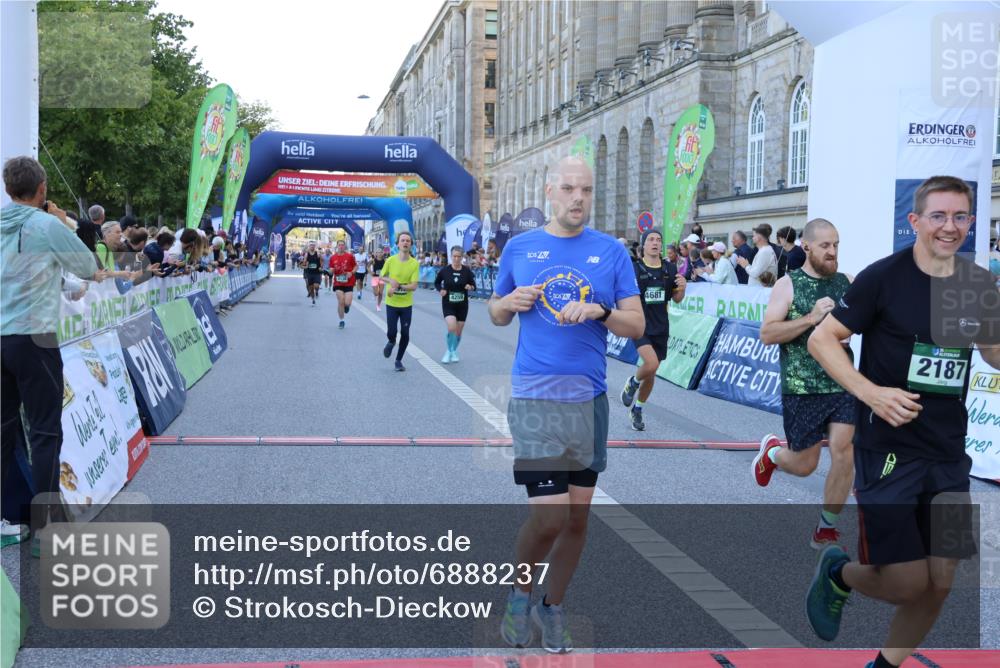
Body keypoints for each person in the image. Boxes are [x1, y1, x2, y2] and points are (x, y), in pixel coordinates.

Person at [805, 176, 1000, 668]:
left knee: (944, 580)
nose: (950, 226)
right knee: (907, 582)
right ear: (915, 221)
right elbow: (821, 340)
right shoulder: (883, 278)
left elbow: (992, 351)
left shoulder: (978, 283)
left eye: (960, 217)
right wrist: (870, 392)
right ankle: (839, 573)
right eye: (938, 216)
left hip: (949, 452)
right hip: (889, 449)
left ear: (971, 222)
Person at [490, 156, 643, 654]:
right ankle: (519, 595)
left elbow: (636, 324)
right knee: (550, 518)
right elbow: (495, 312)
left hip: (588, 403)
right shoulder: (520, 248)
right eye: (570, 189)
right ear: (550, 192)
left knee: (577, 520)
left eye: (586, 190)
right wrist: (506, 304)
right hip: (535, 399)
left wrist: (600, 310)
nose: (579, 198)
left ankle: (552, 606)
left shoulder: (611, 252)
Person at [1, 157, 99, 550]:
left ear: (8, 189)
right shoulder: (45, 225)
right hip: (33, 336)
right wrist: (65, 223)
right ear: (42, 189)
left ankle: (5, 520)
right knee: (44, 432)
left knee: (3, 432)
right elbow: (88, 266)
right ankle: (44, 529)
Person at [752, 218, 855, 549]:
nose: (832, 251)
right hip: (802, 387)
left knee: (844, 451)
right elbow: (768, 333)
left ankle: (826, 527)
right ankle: (772, 454)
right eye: (825, 246)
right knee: (805, 465)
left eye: (836, 245)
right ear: (807, 247)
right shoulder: (788, 284)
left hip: (842, 382)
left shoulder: (848, 282)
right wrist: (811, 318)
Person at [620, 229, 686, 431]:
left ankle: (638, 409)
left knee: (651, 372)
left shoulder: (670, 268)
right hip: (639, 324)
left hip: (661, 326)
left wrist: (683, 288)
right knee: (651, 363)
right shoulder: (634, 268)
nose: (655, 243)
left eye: (658, 240)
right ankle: (632, 382)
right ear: (644, 245)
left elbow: (677, 298)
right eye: (651, 240)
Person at [381, 232, 420, 371]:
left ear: (411, 244)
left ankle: (398, 360)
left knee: (405, 333)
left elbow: (413, 286)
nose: (405, 243)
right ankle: (391, 341)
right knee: (392, 332)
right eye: (402, 240)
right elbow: (381, 276)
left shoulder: (414, 263)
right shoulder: (390, 260)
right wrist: (390, 280)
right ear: (398, 244)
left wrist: (399, 286)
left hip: (406, 305)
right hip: (392, 303)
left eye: (408, 241)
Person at [434, 245, 477, 363]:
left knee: (458, 331)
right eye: (454, 256)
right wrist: (440, 290)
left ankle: (453, 351)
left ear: (462, 257)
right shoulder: (445, 270)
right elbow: (437, 283)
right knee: (452, 327)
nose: (456, 259)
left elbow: (474, 286)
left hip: (462, 305)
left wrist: (470, 287)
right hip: (448, 303)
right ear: (451, 256)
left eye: (459, 256)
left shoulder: (466, 271)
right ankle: (448, 351)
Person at [329, 240, 357, 329]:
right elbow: (331, 269)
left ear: (345, 246)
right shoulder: (333, 257)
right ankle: (341, 320)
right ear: (337, 246)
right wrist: (330, 271)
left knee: (347, 303)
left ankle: (346, 306)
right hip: (338, 282)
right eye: (339, 245)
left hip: (349, 282)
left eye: (342, 245)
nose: (341, 246)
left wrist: (351, 272)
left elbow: (356, 266)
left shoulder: (350, 256)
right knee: (341, 301)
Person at [300, 241, 323, 305]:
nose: (312, 246)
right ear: (309, 247)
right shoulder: (307, 254)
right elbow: (304, 262)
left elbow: (321, 260)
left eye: (313, 245)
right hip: (309, 273)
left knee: (316, 286)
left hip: (317, 272)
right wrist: (303, 264)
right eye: (311, 245)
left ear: (315, 247)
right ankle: (313, 299)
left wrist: (321, 266)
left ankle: (317, 291)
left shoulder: (318, 253)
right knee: (311, 287)